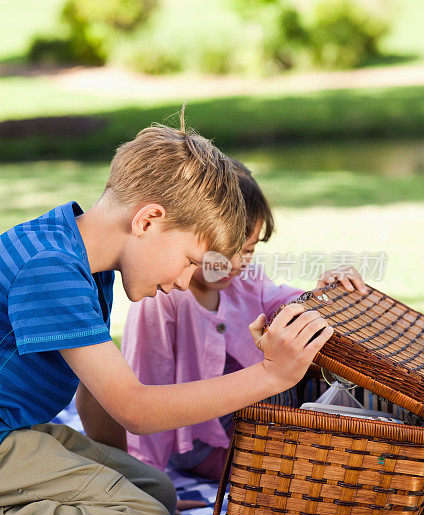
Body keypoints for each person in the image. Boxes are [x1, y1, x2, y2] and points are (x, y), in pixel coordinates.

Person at [0, 120, 333, 515]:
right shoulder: (51, 270)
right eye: (191, 259)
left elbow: (96, 393)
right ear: (148, 221)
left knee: (156, 493)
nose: (184, 282)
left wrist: (106, 471)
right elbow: (135, 408)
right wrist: (270, 377)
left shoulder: (84, 255)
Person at [79, 160, 367, 483]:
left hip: (246, 417)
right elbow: (148, 382)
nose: (235, 264)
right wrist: (148, 478)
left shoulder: (247, 281)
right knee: (286, 466)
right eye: (225, 250)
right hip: (198, 439)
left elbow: (292, 305)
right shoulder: (164, 298)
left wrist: (327, 292)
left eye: (248, 250)